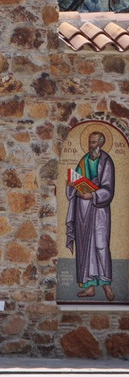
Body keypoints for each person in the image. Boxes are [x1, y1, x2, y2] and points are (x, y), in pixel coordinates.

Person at [65, 129, 116, 301]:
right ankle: (90, 287)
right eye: (89, 142)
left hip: (99, 209)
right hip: (83, 210)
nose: (91, 145)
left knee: (101, 245)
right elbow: (76, 183)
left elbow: (108, 189)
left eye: (94, 142)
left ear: (101, 143)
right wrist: (71, 184)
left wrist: (93, 195)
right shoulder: (83, 160)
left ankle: (106, 284)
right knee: (85, 246)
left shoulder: (106, 161)